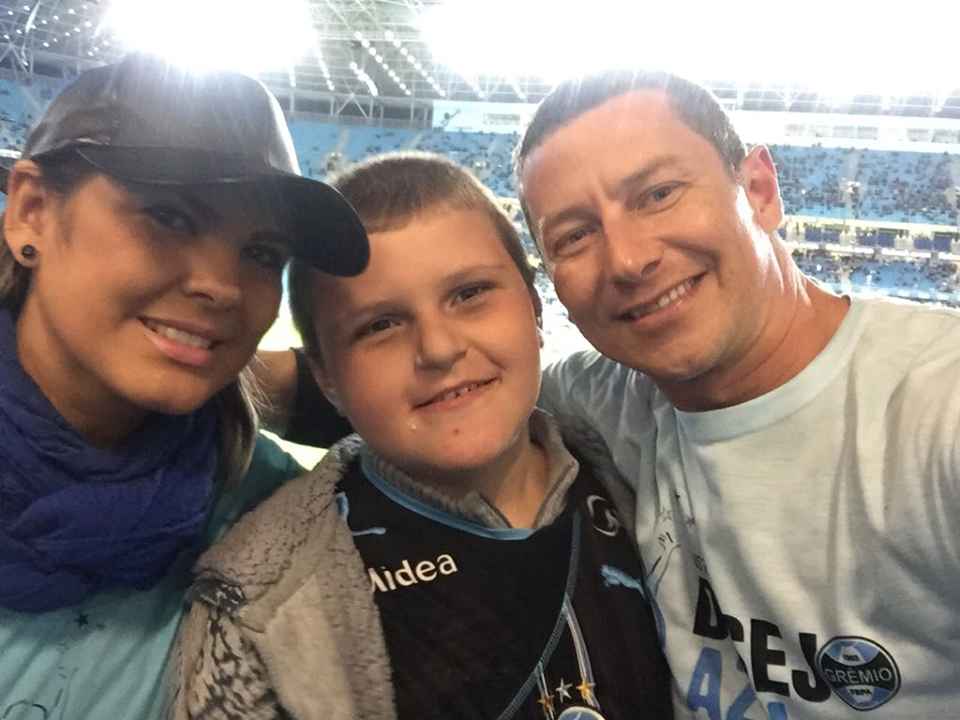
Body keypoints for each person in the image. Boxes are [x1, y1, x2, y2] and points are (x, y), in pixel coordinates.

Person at [514, 71, 960, 718]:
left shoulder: (936, 408)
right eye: (575, 235)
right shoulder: (601, 399)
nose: (627, 260)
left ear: (759, 189)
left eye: (658, 193)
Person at [175, 152, 674, 720]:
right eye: (380, 325)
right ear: (326, 378)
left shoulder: (639, 462)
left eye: (470, 294)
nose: (439, 349)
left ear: (535, 310)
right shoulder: (262, 606)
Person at [0, 53, 368, 719]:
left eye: (261, 254)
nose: (221, 287)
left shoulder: (273, 514)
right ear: (31, 212)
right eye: (169, 216)